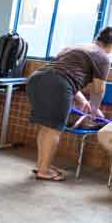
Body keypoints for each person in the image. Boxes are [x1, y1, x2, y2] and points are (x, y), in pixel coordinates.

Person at [27, 27, 112, 181]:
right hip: (57, 84)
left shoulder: (75, 47)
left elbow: (65, 74)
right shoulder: (102, 57)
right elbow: (98, 89)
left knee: (46, 127)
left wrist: (84, 102)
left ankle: (42, 165)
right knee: (53, 130)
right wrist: (94, 110)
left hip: (36, 79)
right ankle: (44, 170)